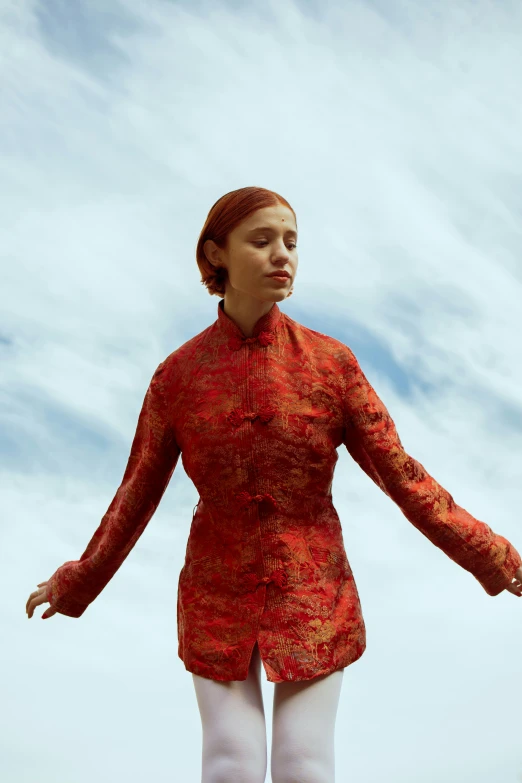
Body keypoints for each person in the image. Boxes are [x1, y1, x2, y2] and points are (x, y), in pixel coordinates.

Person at [26, 186, 522, 783]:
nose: (282, 254)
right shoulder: (177, 377)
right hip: (215, 591)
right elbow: (135, 494)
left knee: (303, 767)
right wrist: (78, 581)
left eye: (290, 241)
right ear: (217, 255)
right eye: (260, 241)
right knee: (230, 763)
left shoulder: (331, 365)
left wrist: (492, 556)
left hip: (314, 588)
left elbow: (406, 477)